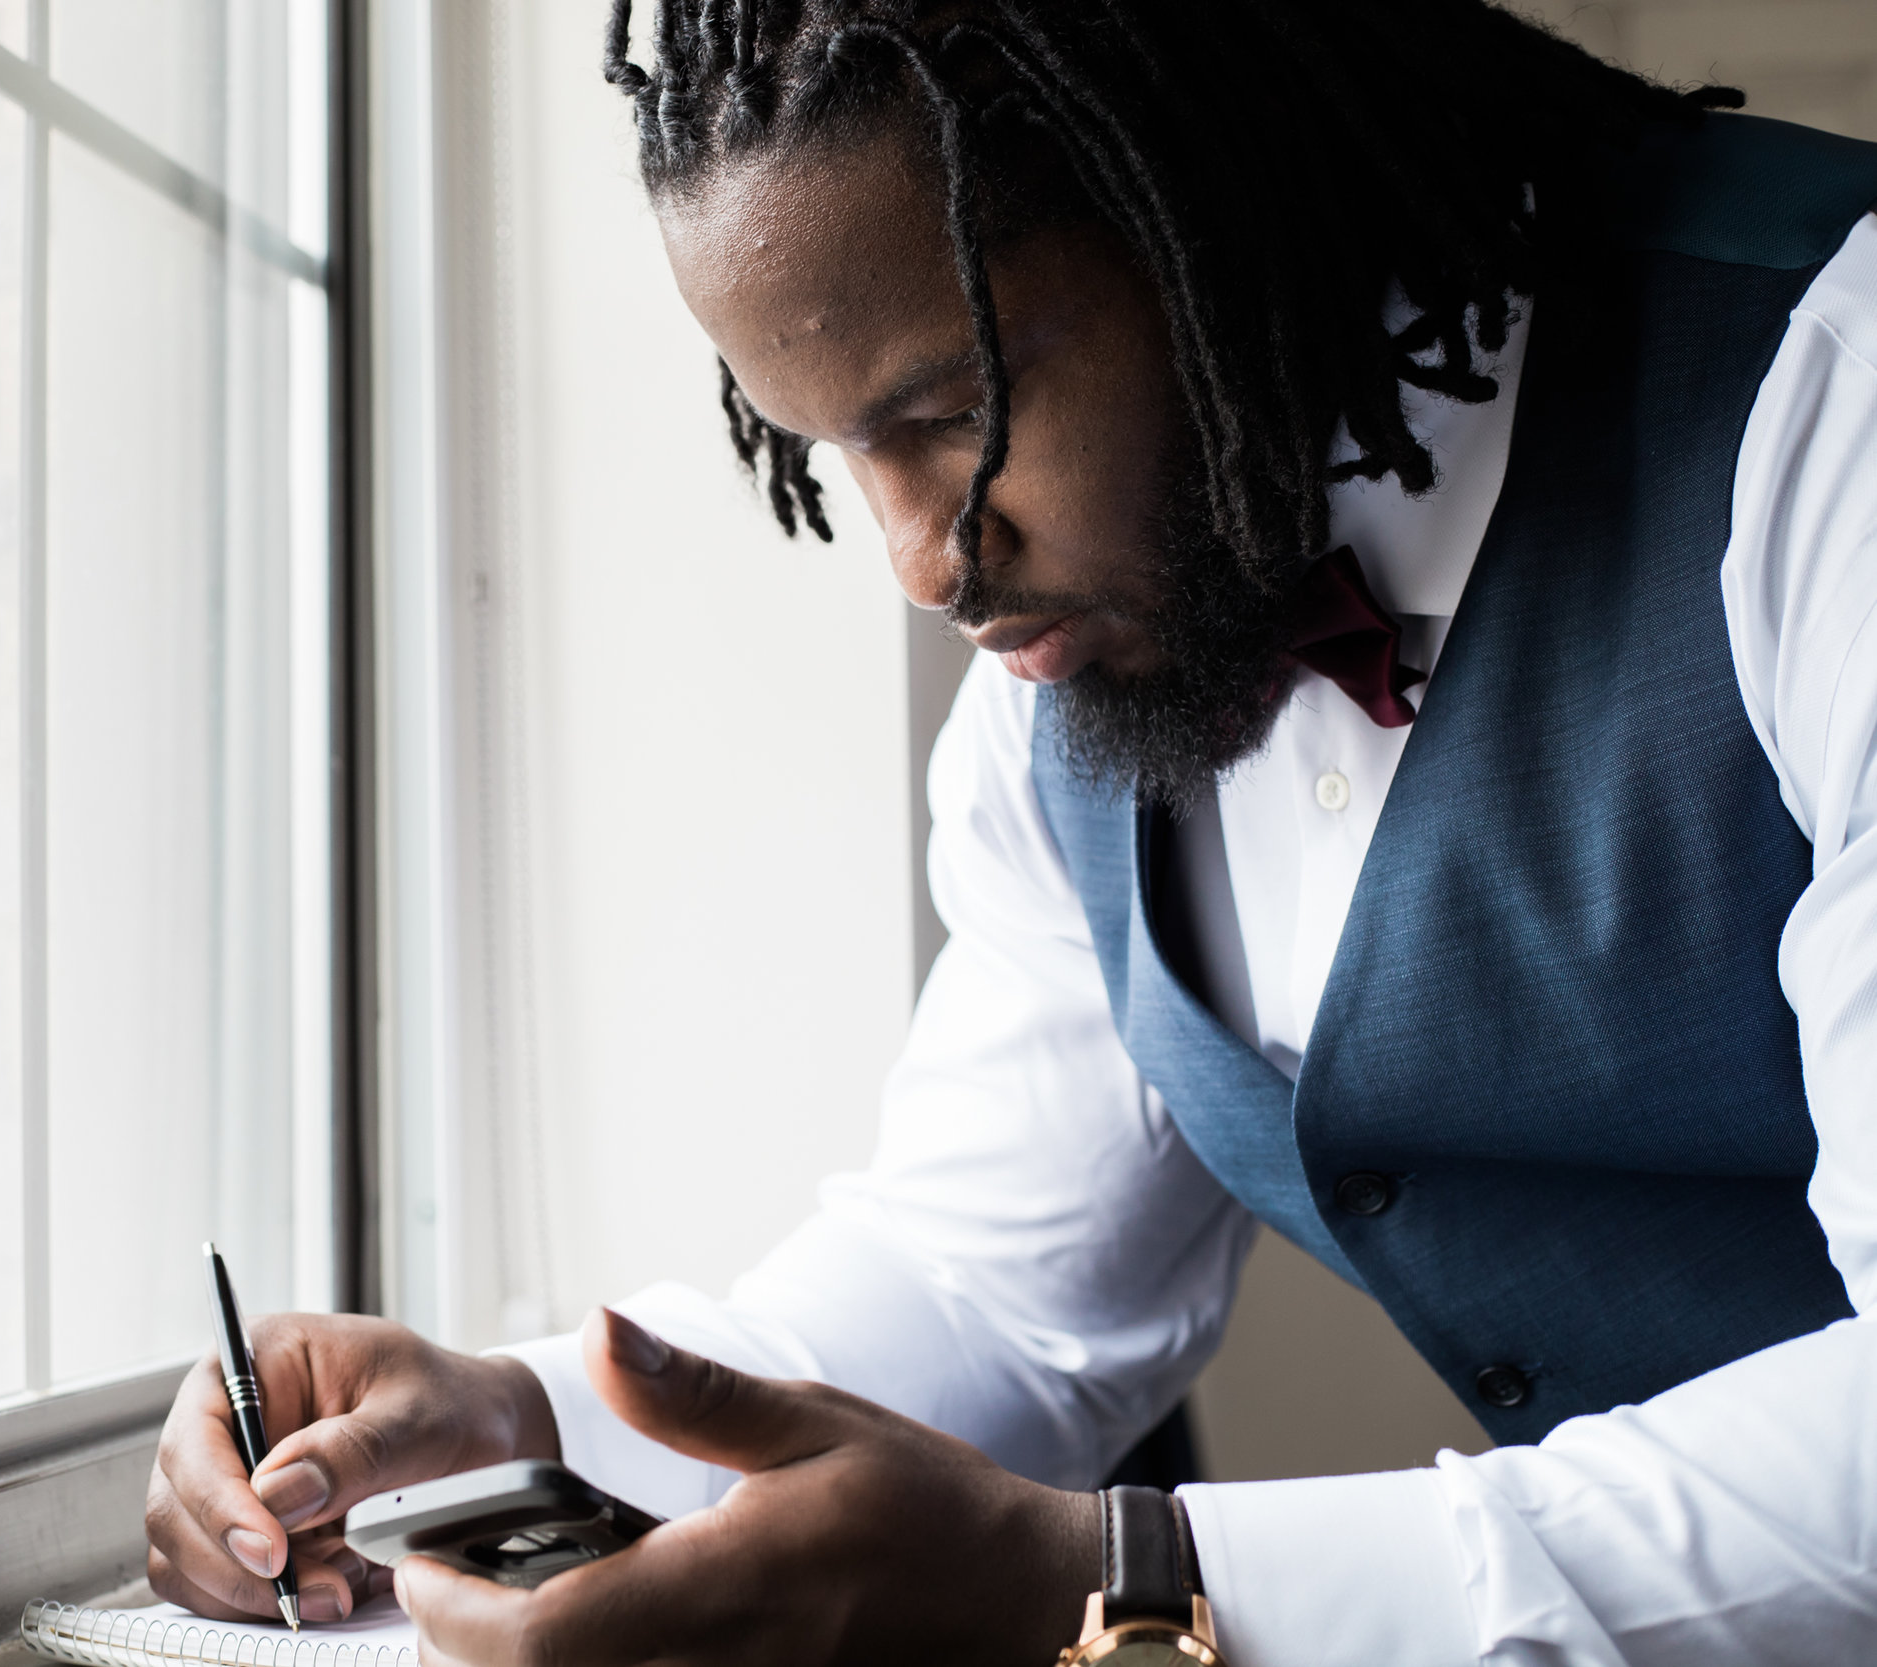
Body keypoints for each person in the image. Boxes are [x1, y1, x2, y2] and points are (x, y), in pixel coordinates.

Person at [145, 2, 1877, 1661]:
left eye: (955, 409)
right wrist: (516, 1427)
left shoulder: (1836, 391)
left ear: (1218, 191)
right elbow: (998, 1293)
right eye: (834, 455)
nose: (919, 561)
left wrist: (1124, 1585)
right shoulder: (1083, 675)